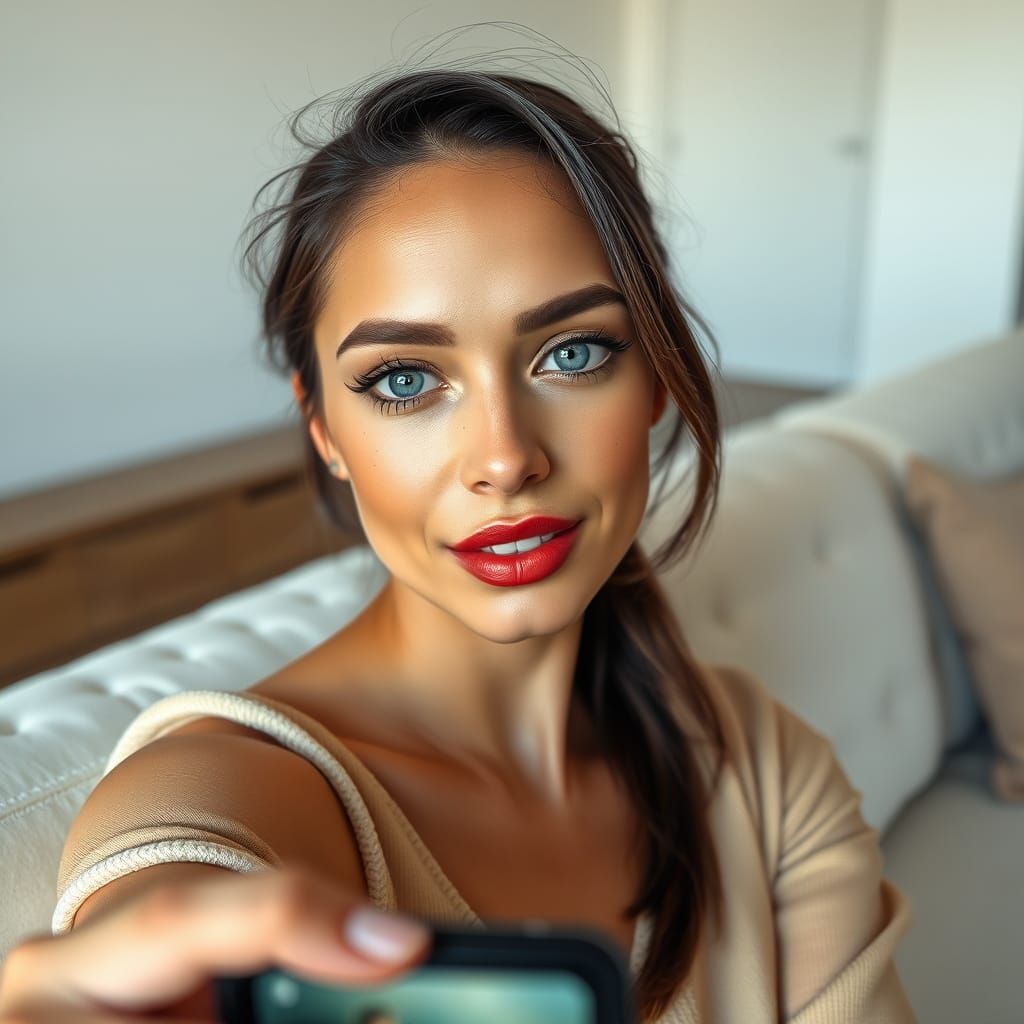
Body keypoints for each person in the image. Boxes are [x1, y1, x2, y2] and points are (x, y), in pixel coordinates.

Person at [0, 52, 918, 1024]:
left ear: (653, 378)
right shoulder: (233, 785)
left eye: (573, 353)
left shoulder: (763, 770)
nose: (505, 458)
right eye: (404, 379)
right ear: (323, 429)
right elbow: (171, 871)